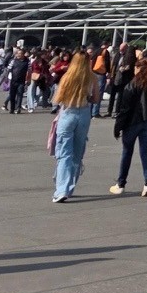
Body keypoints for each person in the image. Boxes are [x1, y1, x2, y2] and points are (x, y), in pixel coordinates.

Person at [109, 54, 147, 197]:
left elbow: (125, 109)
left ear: (138, 68)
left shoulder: (132, 84)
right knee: (146, 152)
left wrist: (118, 126)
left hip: (132, 123)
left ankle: (121, 183)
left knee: (127, 151)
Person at [50, 50, 100, 202]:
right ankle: (69, 186)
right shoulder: (92, 78)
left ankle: (61, 190)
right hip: (84, 113)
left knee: (65, 152)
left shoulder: (67, 76)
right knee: (77, 152)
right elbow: (96, 98)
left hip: (68, 112)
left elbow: (57, 98)